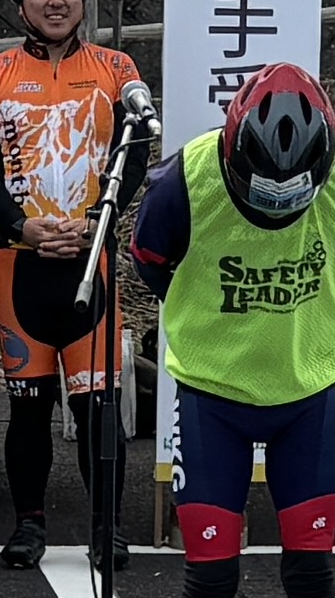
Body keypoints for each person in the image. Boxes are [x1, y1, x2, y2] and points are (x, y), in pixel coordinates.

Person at [0, 0, 150, 571]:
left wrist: (101, 220)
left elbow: (135, 154)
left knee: (97, 408)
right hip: (20, 263)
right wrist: (21, 226)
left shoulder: (118, 68)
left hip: (91, 259)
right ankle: (28, 525)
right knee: (28, 407)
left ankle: (107, 527)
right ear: (20, 2)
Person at [131, 62, 335, 598]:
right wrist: (204, 313)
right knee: (211, 576)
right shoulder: (184, 180)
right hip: (212, 394)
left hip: (309, 390)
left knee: (313, 571)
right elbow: (149, 260)